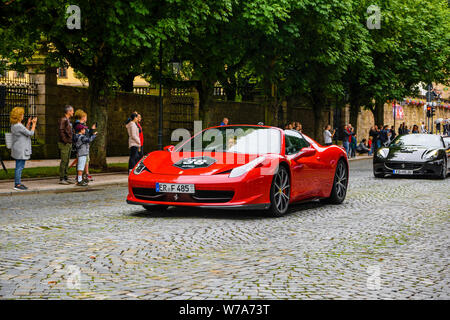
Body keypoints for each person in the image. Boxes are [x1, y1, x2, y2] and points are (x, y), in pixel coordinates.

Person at [10, 107, 37, 191]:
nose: (23, 116)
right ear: (18, 115)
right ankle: (17, 184)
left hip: (18, 148)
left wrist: (28, 124)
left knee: (19, 167)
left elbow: (24, 132)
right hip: (21, 149)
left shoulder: (15, 125)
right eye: (22, 114)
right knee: (19, 167)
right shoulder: (18, 125)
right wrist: (34, 124)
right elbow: (30, 133)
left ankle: (18, 183)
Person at [69, 109, 96, 181]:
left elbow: (86, 134)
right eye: (85, 117)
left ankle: (82, 176)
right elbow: (85, 137)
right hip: (82, 147)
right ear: (83, 117)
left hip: (85, 146)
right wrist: (93, 135)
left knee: (84, 161)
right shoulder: (79, 126)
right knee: (82, 162)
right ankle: (81, 177)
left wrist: (91, 130)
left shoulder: (82, 125)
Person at [58, 105, 74, 185]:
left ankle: (66, 176)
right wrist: (65, 141)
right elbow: (61, 131)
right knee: (64, 161)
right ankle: (62, 178)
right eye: (72, 111)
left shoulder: (68, 120)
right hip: (65, 143)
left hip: (69, 142)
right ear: (68, 111)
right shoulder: (63, 120)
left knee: (67, 160)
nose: (73, 112)